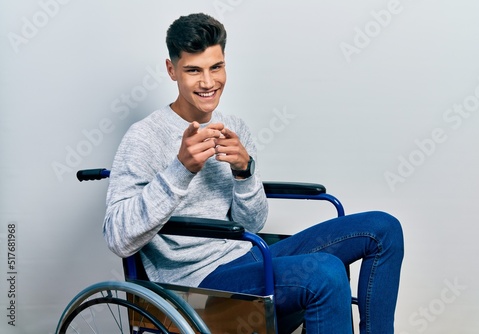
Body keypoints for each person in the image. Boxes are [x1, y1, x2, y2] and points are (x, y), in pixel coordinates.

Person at [104, 13, 404, 334]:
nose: (208, 82)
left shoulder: (235, 128)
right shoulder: (144, 137)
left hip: (245, 255)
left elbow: (253, 225)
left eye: (216, 67)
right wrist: (181, 169)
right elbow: (118, 238)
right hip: (196, 283)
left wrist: (244, 173)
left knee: (383, 228)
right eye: (194, 70)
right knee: (324, 272)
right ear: (171, 70)